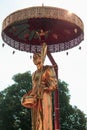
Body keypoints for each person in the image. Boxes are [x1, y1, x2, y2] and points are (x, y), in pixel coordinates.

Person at [21, 44, 58, 130]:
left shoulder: (48, 69)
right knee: (36, 121)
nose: (34, 58)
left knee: (44, 119)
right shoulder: (34, 74)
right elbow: (34, 88)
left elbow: (54, 85)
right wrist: (27, 95)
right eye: (33, 56)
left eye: (36, 56)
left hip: (44, 96)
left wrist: (44, 87)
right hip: (35, 99)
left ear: (42, 57)